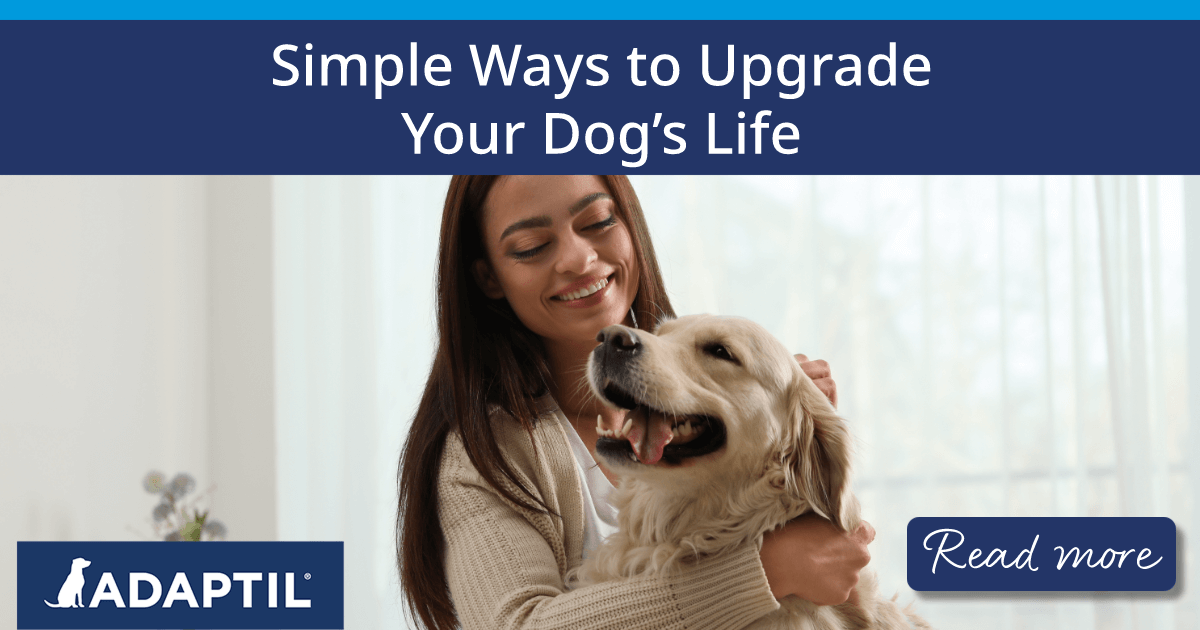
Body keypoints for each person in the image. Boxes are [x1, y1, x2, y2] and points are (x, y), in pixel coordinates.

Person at [397, 175, 875, 630]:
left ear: (629, 224)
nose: (579, 259)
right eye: (532, 247)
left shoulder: (703, 397)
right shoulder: (482, 456)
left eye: (598, 222)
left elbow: (837, 571)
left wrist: (796, 427)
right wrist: (765, 573)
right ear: (488, 278)